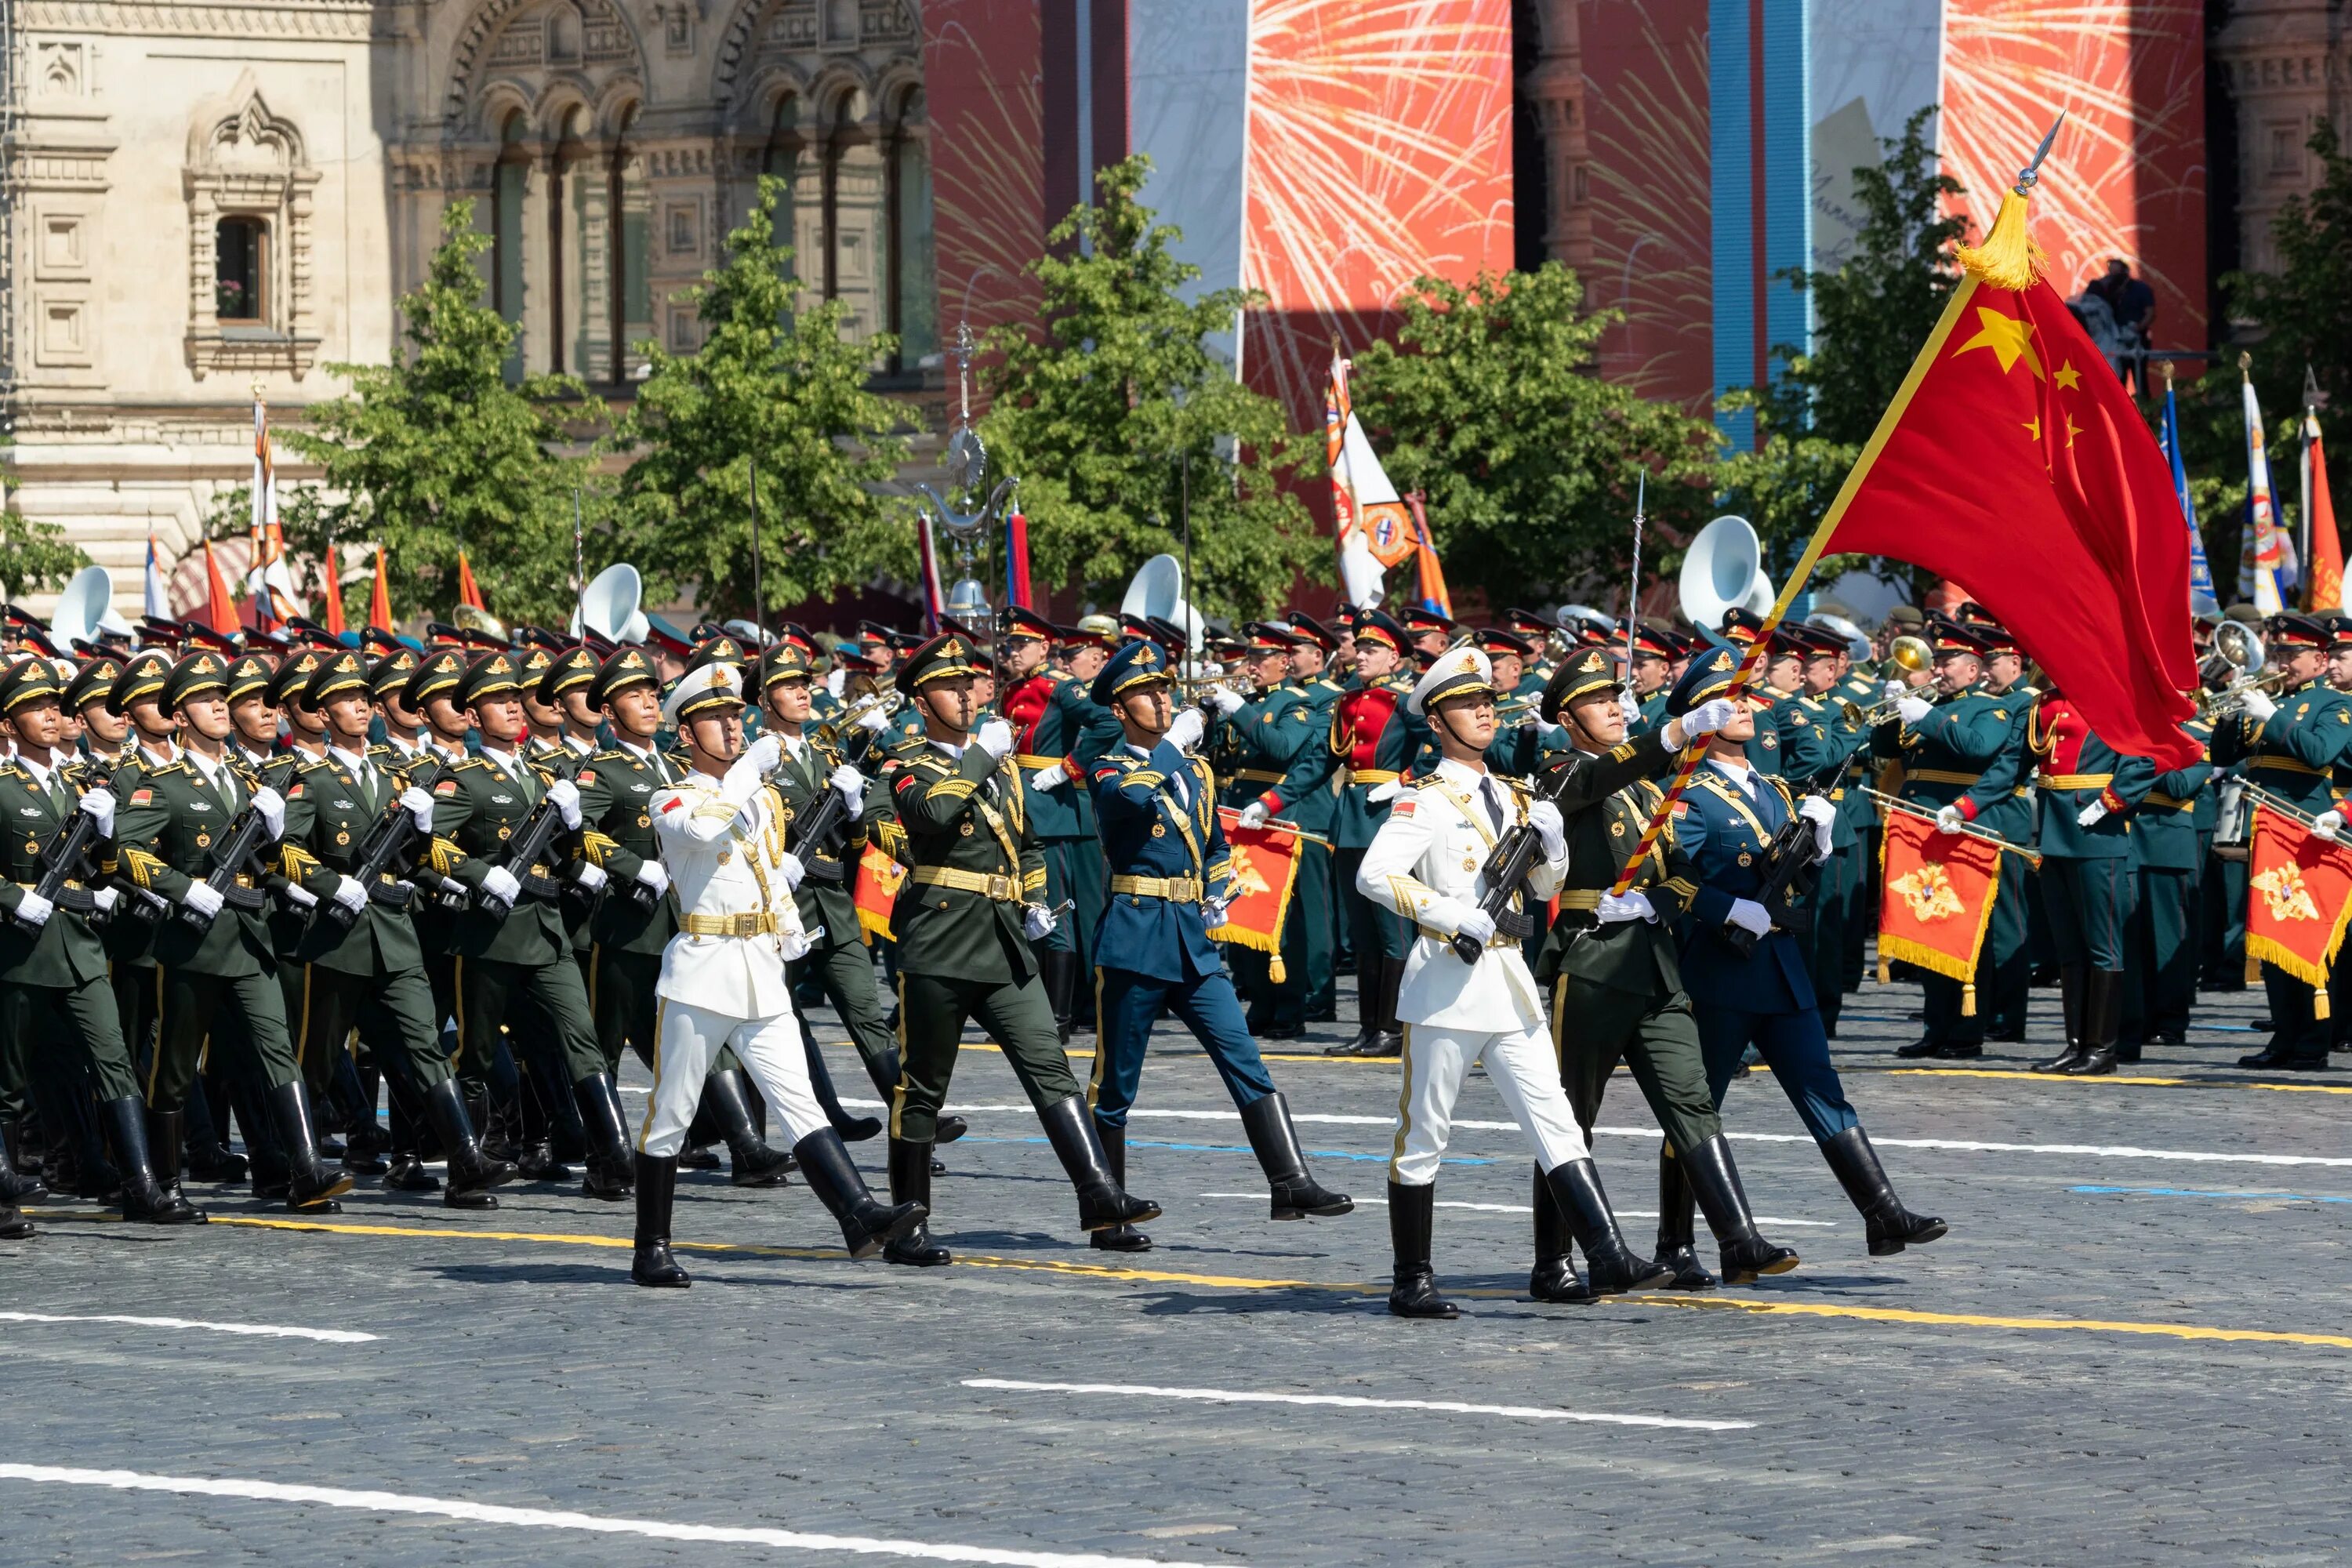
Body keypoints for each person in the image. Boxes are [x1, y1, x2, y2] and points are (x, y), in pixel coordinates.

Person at [1356, 643, 1669, 1319]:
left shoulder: (1516, 792)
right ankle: (1411, 1277)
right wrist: (1449, 914)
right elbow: (1375, 876)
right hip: (1447, 980)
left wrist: (1553, 851)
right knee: (1426, 1132)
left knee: (1555, 1120)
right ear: (1437, 722)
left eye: (1488, 702)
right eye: (1468, 706)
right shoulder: (1425, 801)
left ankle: (1607, 1254)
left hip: (1508, 977)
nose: (1484, 713)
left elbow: (1543, 887)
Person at [629, 660, 925, 1287]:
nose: (732, 728)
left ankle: (858, 1213)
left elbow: (768, 870)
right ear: (686, 734)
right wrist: (744, 776)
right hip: (701, 973)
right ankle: (651, 1245)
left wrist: (788, 925)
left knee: (800, 1100)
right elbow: (707, 830)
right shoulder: (671, 797)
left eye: (736, 716)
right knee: (673, 1113)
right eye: (715, 719)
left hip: (759, 970)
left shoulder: (758, 795)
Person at [881, 631, 1158, 1266]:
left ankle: (1098, 1194)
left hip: (1005, 941)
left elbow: (1028, 842)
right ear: (923, 702)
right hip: (941, 941)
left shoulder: (1000, 763)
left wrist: (1033, 899)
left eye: (969, 683)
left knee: (1051, 1069)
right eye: (950, 687)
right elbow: (933, 813)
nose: (967, 693)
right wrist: (980, 755)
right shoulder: (909, 762)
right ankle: (909, 1226)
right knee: (922, 1087)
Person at [1528, 644, 1796, 1297]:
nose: (1616, 709)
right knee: (1570, 1117)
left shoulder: (1655, 786)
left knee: (1692, 1101)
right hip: (1593, 961)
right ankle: (1553, 1262)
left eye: (1618, 698)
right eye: (1598, 702)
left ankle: (1738, 1238)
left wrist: (1657, 898)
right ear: (1569, 719)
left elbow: (1680, 869)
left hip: (1655, 961)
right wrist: (1674, 733)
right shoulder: (1560, 771)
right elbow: (1597, 782)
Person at [1667, 647, 1947, 1258]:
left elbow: (1793, 887)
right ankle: (1678, 1244)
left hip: (1780, 968)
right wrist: (1726, 909)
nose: (1744, 707)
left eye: (1744, 697)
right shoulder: (1686, 792)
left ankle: (1883, 1213)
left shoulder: (1771, 790)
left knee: (1822, 1089)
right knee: (1698, 1110)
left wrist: (1813, 849)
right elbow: (1675, 876)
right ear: (1700, 714)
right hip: (1720, 971)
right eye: (1728, 700)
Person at [1083, 638, 1351, 1253]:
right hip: (1136, 936)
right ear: (1121, 709)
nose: (1162, 699)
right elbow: (1130, 801)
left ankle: (1290, 1181)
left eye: (1163, 689)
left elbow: (1212, 845)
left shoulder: (1197, 772)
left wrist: (1220, 887)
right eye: (1147, 694)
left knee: (1244, 1058)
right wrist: (1174, 747)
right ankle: (1105, 1207)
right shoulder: (1109, 766)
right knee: (1116, 1083)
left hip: (1192, 941)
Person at [110, 651, 353, 1213]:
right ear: (179, 716)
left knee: (277, 1050)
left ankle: (306, 1167)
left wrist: (274, 838)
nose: (220, 704)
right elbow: (122, 850)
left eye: (222, 695)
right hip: (193, 944)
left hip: (249, 935)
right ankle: (164, 1180)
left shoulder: (251, 780)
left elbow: (273, 857)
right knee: (175, 1065)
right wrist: (178, 886)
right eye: (204, 699)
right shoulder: (162, 783)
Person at [278, 650, 517, 1204]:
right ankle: (302, 1168)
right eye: (345, 698)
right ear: (321, 709)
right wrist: (329, 883)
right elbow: (281, 851)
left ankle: (466, 1161)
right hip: (336, 938)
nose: (360, 706)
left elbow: (417, 855)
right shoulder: (308, 778)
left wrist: (426, 834)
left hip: (394, 933)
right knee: (317, 1058)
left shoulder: (395, 776)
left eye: (364, 697)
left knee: (426, 1046)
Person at [426, 652, 637, 1199]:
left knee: (583, 1039)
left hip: (547, 933)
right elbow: (426, 847)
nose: (514, 709)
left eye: (515, 699)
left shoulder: (548, 778)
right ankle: (466, 1170)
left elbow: (567, 848)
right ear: (473, 718)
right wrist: (479, 873)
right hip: (489, 936)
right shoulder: (463, 781)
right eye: (498, 702)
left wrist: (579, 847)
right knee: (474, 1054)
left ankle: (613, 1158)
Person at [0, 657, 198, 1225]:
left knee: (113, 1057)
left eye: (51, 706)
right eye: (32, 709)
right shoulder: (5, 788)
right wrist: (15, 898)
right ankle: (5, 1197)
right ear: (9, 725)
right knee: (10, 1075)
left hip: (81, 946)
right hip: (22, 949)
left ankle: (140, 1182)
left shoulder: (82, 786)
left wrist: (108, 832)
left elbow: (104, 868)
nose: (47, 715)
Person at [2212, 612, 2352, 1068]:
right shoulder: (2271, 697)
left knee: (2302, 936)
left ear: (2318, 658)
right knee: (2271, 936)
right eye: (2279, 654)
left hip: (2303, 829)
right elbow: (2224, 755)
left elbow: (2318, 754)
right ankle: (2284, 1038)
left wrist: (2271, 717)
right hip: (2266, 828)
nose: (2283, 663)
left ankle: (2311, 1044)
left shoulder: (2332, 703)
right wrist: (2233, 715)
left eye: (2292, 656)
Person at [1327, 609, 1415, 1058]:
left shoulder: (1405, 703)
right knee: (1363, 932)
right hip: (1350, 822)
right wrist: (1270, 804)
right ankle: (1368, 1028)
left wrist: (1403, 779)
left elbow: (1441, 750)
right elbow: (1319, 764)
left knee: (1392, 930)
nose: (1360, 655)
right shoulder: (1345, 702)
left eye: (1372, 649)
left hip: (1388, 820)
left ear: (1394, 659)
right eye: (1359, 648)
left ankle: (1394, 1028)